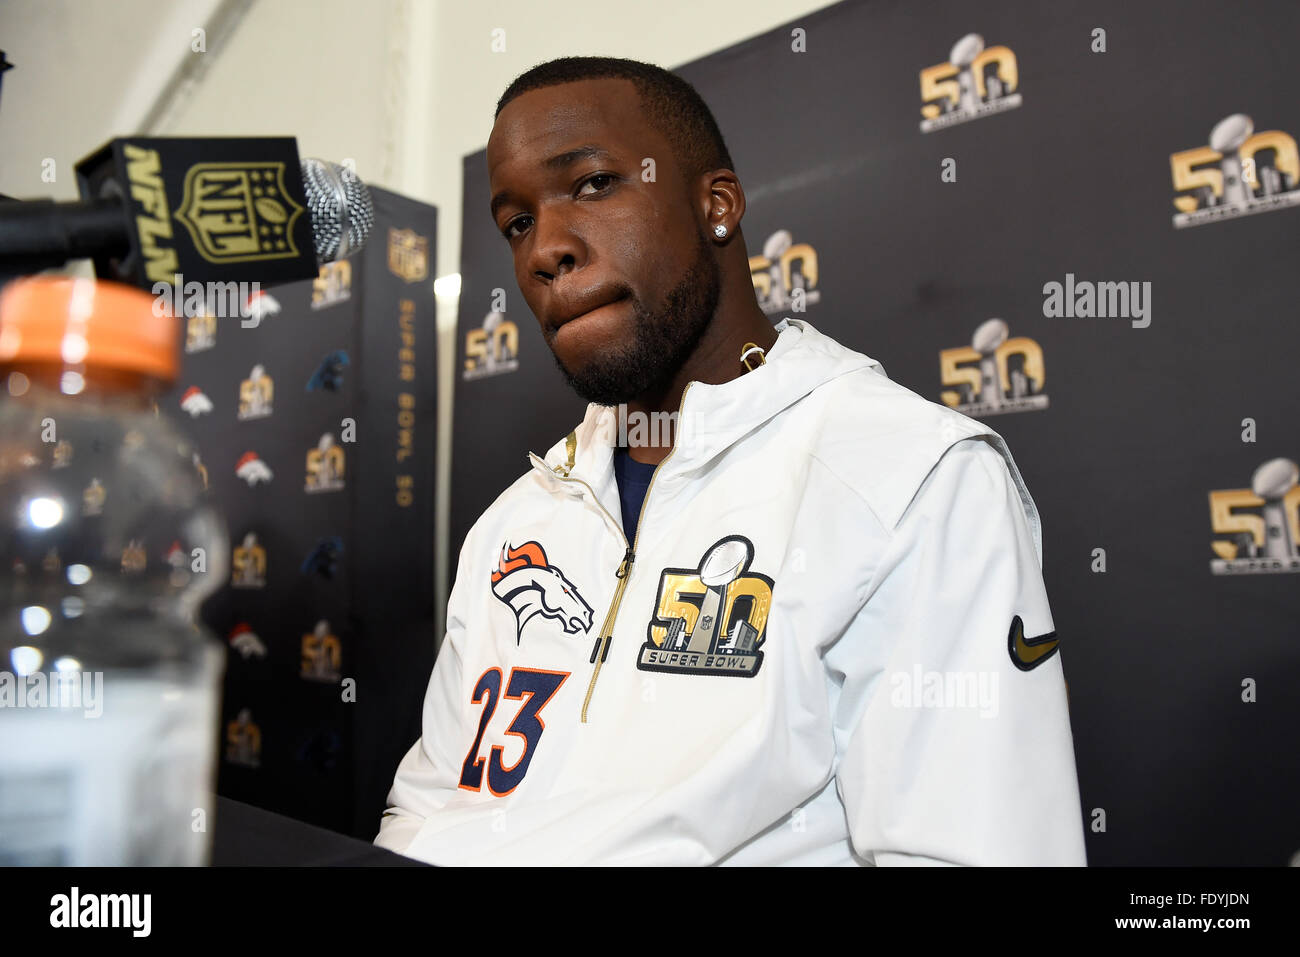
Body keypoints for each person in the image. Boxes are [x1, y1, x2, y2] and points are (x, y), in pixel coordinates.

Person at [374, 56, 1086, 865]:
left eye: (595, 184)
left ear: (717, 205)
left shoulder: (911, 478)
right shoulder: (514, 522)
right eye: (516, 223)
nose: (545, 250)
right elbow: (424, 808)